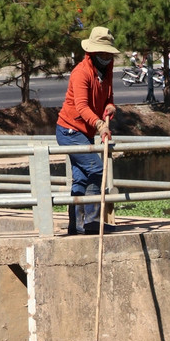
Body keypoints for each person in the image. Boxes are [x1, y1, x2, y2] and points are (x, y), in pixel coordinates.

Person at [56, 26, 118, 235]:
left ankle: (77, 225)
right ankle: (91, 223)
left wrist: (110, 107)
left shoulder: (106, 70)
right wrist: (100, 125)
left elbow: (108, 97)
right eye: (102, 53)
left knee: (82, 177)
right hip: (70, 131)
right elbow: (82, 107)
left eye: (109, 53)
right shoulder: (81, 72)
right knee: (96, 170)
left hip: (84, 132)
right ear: (92, 52)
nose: (107, 57)